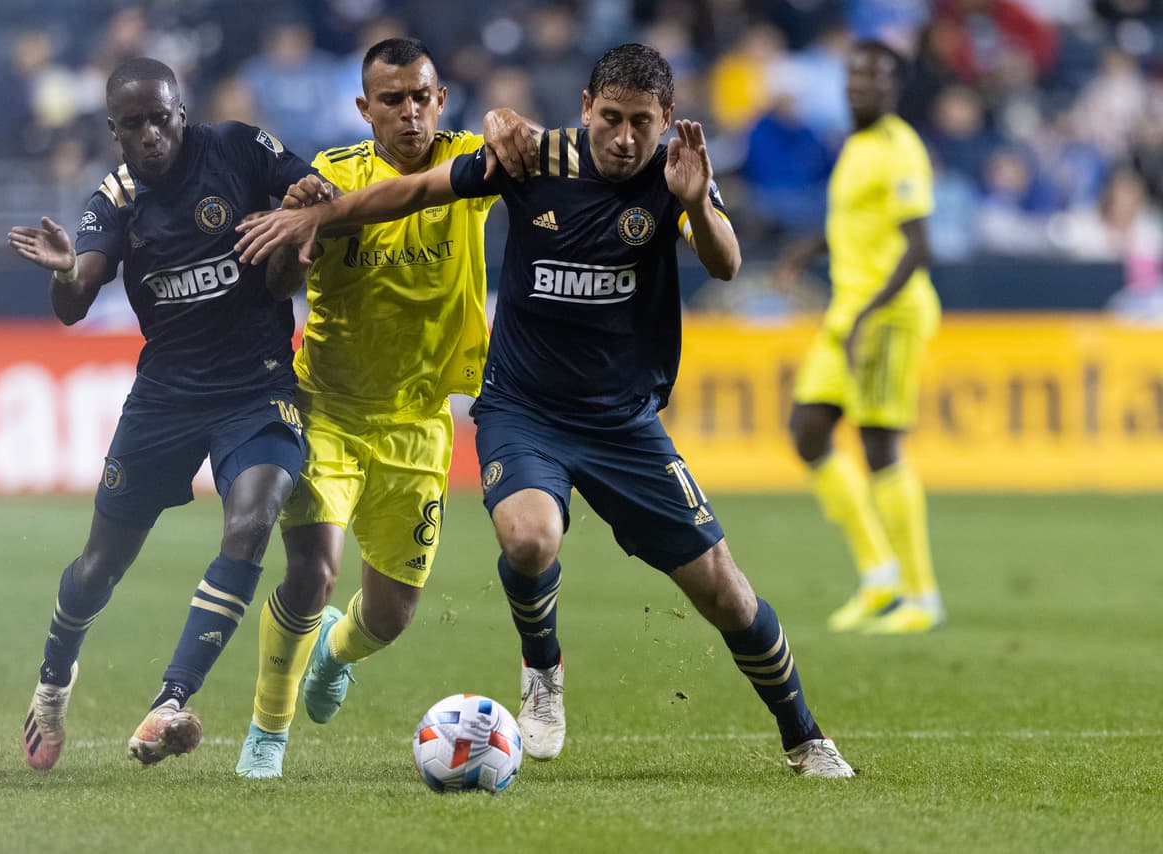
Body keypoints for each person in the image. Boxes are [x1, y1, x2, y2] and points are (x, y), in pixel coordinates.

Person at [237, 43, 855, 778]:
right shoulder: (532, 159)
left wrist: (695, 200)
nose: (626, 138)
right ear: (587, 106)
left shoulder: (675, 172)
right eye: (613, 118)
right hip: (522, 407)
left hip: (622, 420)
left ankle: (804, 735)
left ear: (667, 120)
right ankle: (542, 672)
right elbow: (416, 191)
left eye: (644, 123)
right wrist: (321, 218)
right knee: (529, 540)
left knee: (724, 589)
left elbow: (724, 262)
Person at [7, 56, 326, 771]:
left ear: (182, 112)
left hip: (257, 385)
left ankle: (170, 700)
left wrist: (306, 201)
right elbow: (75, 301)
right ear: (113, 131)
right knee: (99, 567)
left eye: (162, 117)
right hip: (167, 398)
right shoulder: (112, 201)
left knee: (253, 517)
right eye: (134, 124)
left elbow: (314, 190)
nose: (152, 134)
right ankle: (53, 686)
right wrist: (65, 273)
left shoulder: (240, 148)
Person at [232, 37, 535, 779]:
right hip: (326, 407)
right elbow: (272, 284)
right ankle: (267, 734)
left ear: (440, 99)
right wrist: (293, 246)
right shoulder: (325, 179)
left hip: (421, 422)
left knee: (390, 616)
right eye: (391, 101)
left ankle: (334, 651)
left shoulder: (467, 157)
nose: (409, 113)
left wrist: (505, 118)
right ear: (363, 109)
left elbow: (519, 142)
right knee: (314, 570)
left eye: (421, 97)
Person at [775, 40, 945, 634]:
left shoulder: (900, 149)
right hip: (850, 312)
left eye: (875, 76)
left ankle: (921, 597)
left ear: (894, 86)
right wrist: (813, 248)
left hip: (888, 313)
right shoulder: (856, 146)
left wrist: (869, 316)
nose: (861, 85)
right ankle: (880, 578)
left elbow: (920, 248)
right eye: (854, 74)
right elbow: (861, 225)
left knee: (879, 447)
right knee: (808, 431)